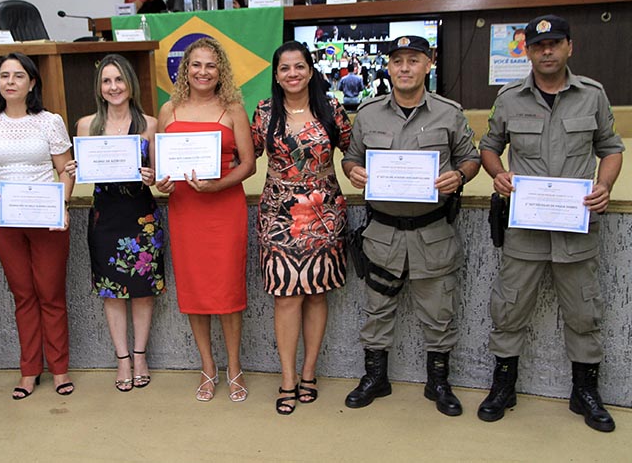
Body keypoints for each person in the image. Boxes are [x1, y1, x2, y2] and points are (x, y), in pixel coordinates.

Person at [478, 15, 624, 432]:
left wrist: (605, 185)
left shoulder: (592, 95)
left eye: (555, 43)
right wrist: (498, 174)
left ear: (569, 47)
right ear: (527, 51)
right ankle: (504, 386)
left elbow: (611, 148)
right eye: (539, 45)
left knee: (584, 311)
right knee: (509, 308)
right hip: (525, 228)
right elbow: (489, 146)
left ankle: (585, 391)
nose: (547, 51)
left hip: (575, 228)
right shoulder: (509, 98)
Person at [342, 35, 480, 417]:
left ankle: (439, 382)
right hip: (382, 234)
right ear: (388, 67)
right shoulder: (368, 114)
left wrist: (459, 176)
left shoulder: (449, 113)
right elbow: (351, 157)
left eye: (413, 60)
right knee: (376, 311)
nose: (405, 68)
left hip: (432, 233)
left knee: (439, 313)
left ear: (428, 63)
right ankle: (375, 377)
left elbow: (470, 158)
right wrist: (353, 171)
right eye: (398, 60)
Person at [251, 41, 352, 415]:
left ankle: (309, 372)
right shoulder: (264, 113)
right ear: (276, 76)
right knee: (286, 295)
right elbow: (242, 154)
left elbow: (354, 152)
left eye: (299, 66)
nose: (292, 74)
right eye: (284, 68)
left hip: (324, 214)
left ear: (310, 71)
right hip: (278, 216)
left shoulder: (331, 109)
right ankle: (288, 377)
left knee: (316, 293)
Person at [155, 37, 255, 402]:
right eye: (196, 64)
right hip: (185, 210)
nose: (203, 71)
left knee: (227, 289)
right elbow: (160, 167)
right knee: (194, 290)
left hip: (224, 209)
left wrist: (217, 185)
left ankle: (234, 366)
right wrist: (162, 183)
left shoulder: (233, 109)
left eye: (210, 65)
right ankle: (208, 366)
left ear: (220, 70)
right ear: (185, 70)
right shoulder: (169, 110)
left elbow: (248, 164)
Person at [0, 53, 75, 400]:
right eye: (4, 76)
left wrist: (63, 205)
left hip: (46, 218)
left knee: (51, 294)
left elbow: (65, 170)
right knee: (23, 295)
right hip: (5, 217)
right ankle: (29, 370)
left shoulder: (50, 121)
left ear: (32, 83)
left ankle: (59, 369)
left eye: (18, 76)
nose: (10, 82)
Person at [65, 55, 165, 392]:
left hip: (142, 216)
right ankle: (122, 359)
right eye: (107, 81)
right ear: (99, 88)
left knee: (143, 291)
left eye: (119, 79)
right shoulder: (86, 125)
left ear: (131, 84)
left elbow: (159, 177)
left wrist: (153, 176)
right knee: (112, 292)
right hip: (105, 217)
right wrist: (74, 170)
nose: (113, 87)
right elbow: (81, 174)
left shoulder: (150, 124)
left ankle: (140, 356)